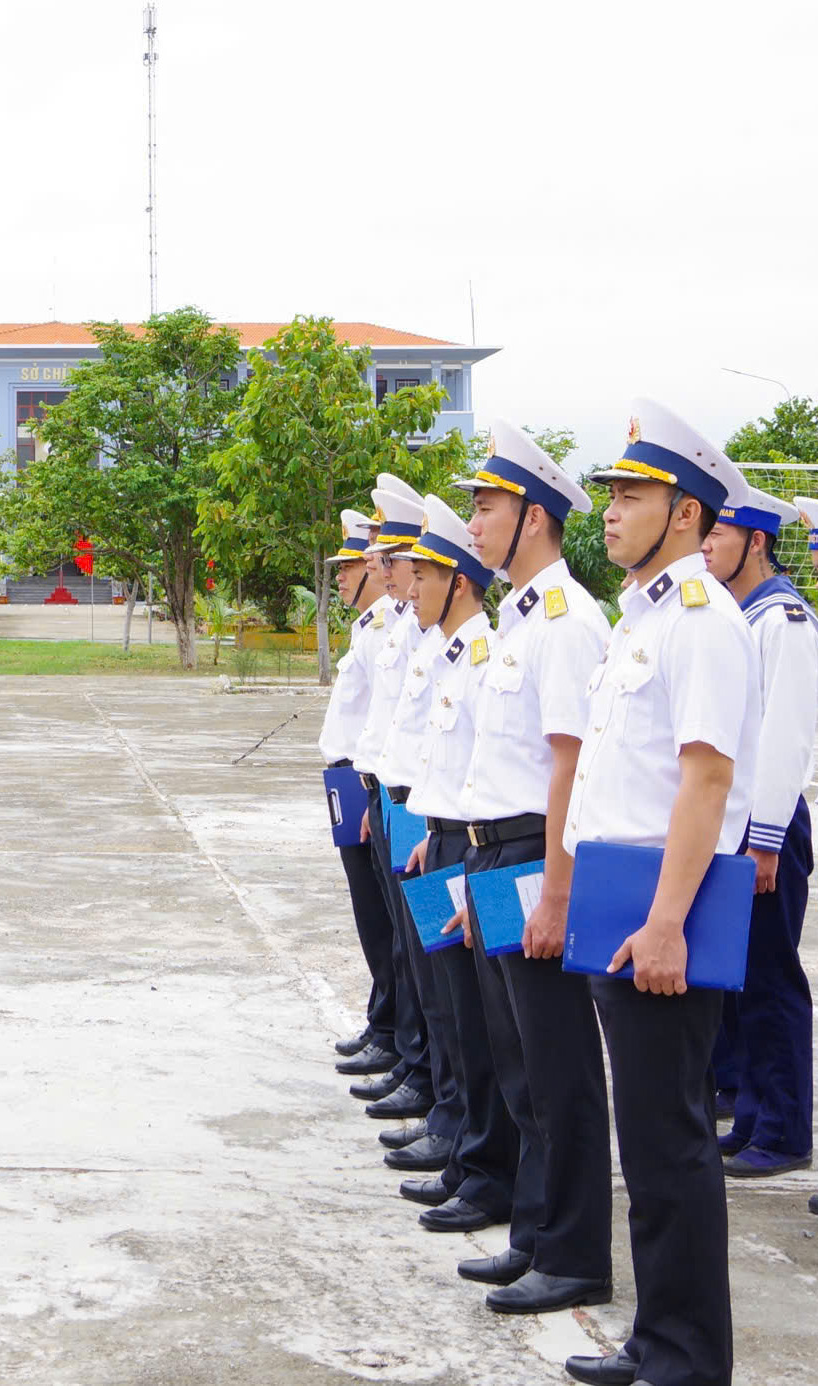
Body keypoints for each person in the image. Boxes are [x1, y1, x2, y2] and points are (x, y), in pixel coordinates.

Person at [564, 398, 758, 1386]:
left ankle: (688, 1357)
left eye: (633, 494)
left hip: (658, 914)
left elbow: (707, 778)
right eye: (610, 493)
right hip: (618, 905)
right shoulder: (645, 620)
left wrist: (669, 924)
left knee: (673, 1144)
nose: (611, 510)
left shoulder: (702, 622)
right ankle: (656, 1337)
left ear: (686, 512)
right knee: (644, 1144)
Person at [449, 422, 612, 1318]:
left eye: (488, 507)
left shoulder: (564, 622)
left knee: (559, 1069)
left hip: (533, 855)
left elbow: (568, 765)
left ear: (535, 519)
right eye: (474, 505)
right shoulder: (517, 619)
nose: (473, 523)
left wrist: (554, 888)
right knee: (519, 1064)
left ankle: (577, 1253)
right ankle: (537, 1234)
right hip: (496, 853)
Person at [396, 496, 517, 1245]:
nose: (408, 589)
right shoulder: (451, 652)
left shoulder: (480, 653)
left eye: (422, 575)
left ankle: (484, 1169)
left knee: (483, 1027)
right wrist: (430, 830)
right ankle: (464, 1150)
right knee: (447, 1008)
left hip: (482, 848)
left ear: (460, 583)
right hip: (440, 840)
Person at [703, 489, 813, 1178]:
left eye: (721, 532)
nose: (708, 544)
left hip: (764, 823)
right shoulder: (735, 616)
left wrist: (764, 837)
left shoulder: (785, 618)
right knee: (736, 984)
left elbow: (785, 737)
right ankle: (748, 1117)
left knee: (769, 983)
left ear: (757, 541)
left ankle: (782, 1128)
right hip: (731, 820)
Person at [349, 477, 442, 1131]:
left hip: (436, 814)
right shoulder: (404, 627)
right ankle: (420, 1069)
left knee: (438, 964)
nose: (382, 569)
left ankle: (435, 1081)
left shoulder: (443, 639)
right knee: (410, 949)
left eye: (392, 558)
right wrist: (375, 790)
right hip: (397, 800)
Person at [321, 508, 402, 1077]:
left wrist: (376, 794)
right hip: (352, 781)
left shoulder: (390, 629)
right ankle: (386, 1019)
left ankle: (397, 1031)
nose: (345, 576)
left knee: (386, 920)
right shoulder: (369, 628)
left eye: (353, 566)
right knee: (369, 913)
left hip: (372, 782)